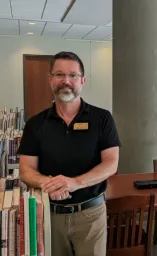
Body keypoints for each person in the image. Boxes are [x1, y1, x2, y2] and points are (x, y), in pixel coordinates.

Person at [17, 51, 120, 256]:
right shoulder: (35, 124)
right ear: (50, 80)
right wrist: (49, 184)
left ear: (82, 80)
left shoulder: (102, 118)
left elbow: (111, 163)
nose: (66, 80)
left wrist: (74, 183)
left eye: (73, 75)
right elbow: (26, 170)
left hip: (91, 215)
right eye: (59, 75)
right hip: (50, 215)